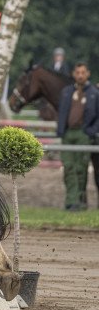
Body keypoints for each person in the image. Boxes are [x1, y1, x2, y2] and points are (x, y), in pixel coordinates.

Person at [56, 62, 99, 211]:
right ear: (74, 74)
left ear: (88, 74)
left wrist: (91, 131)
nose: (80, 75)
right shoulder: (67, 92)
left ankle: (79, 203)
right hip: (68, 133)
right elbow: (61, 112)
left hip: (83, 133)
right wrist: (61, 129)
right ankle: (70, 201)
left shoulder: (94, 93)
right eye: (78, 72)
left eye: (83, 72)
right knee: (68, 167)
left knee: (81, 168)